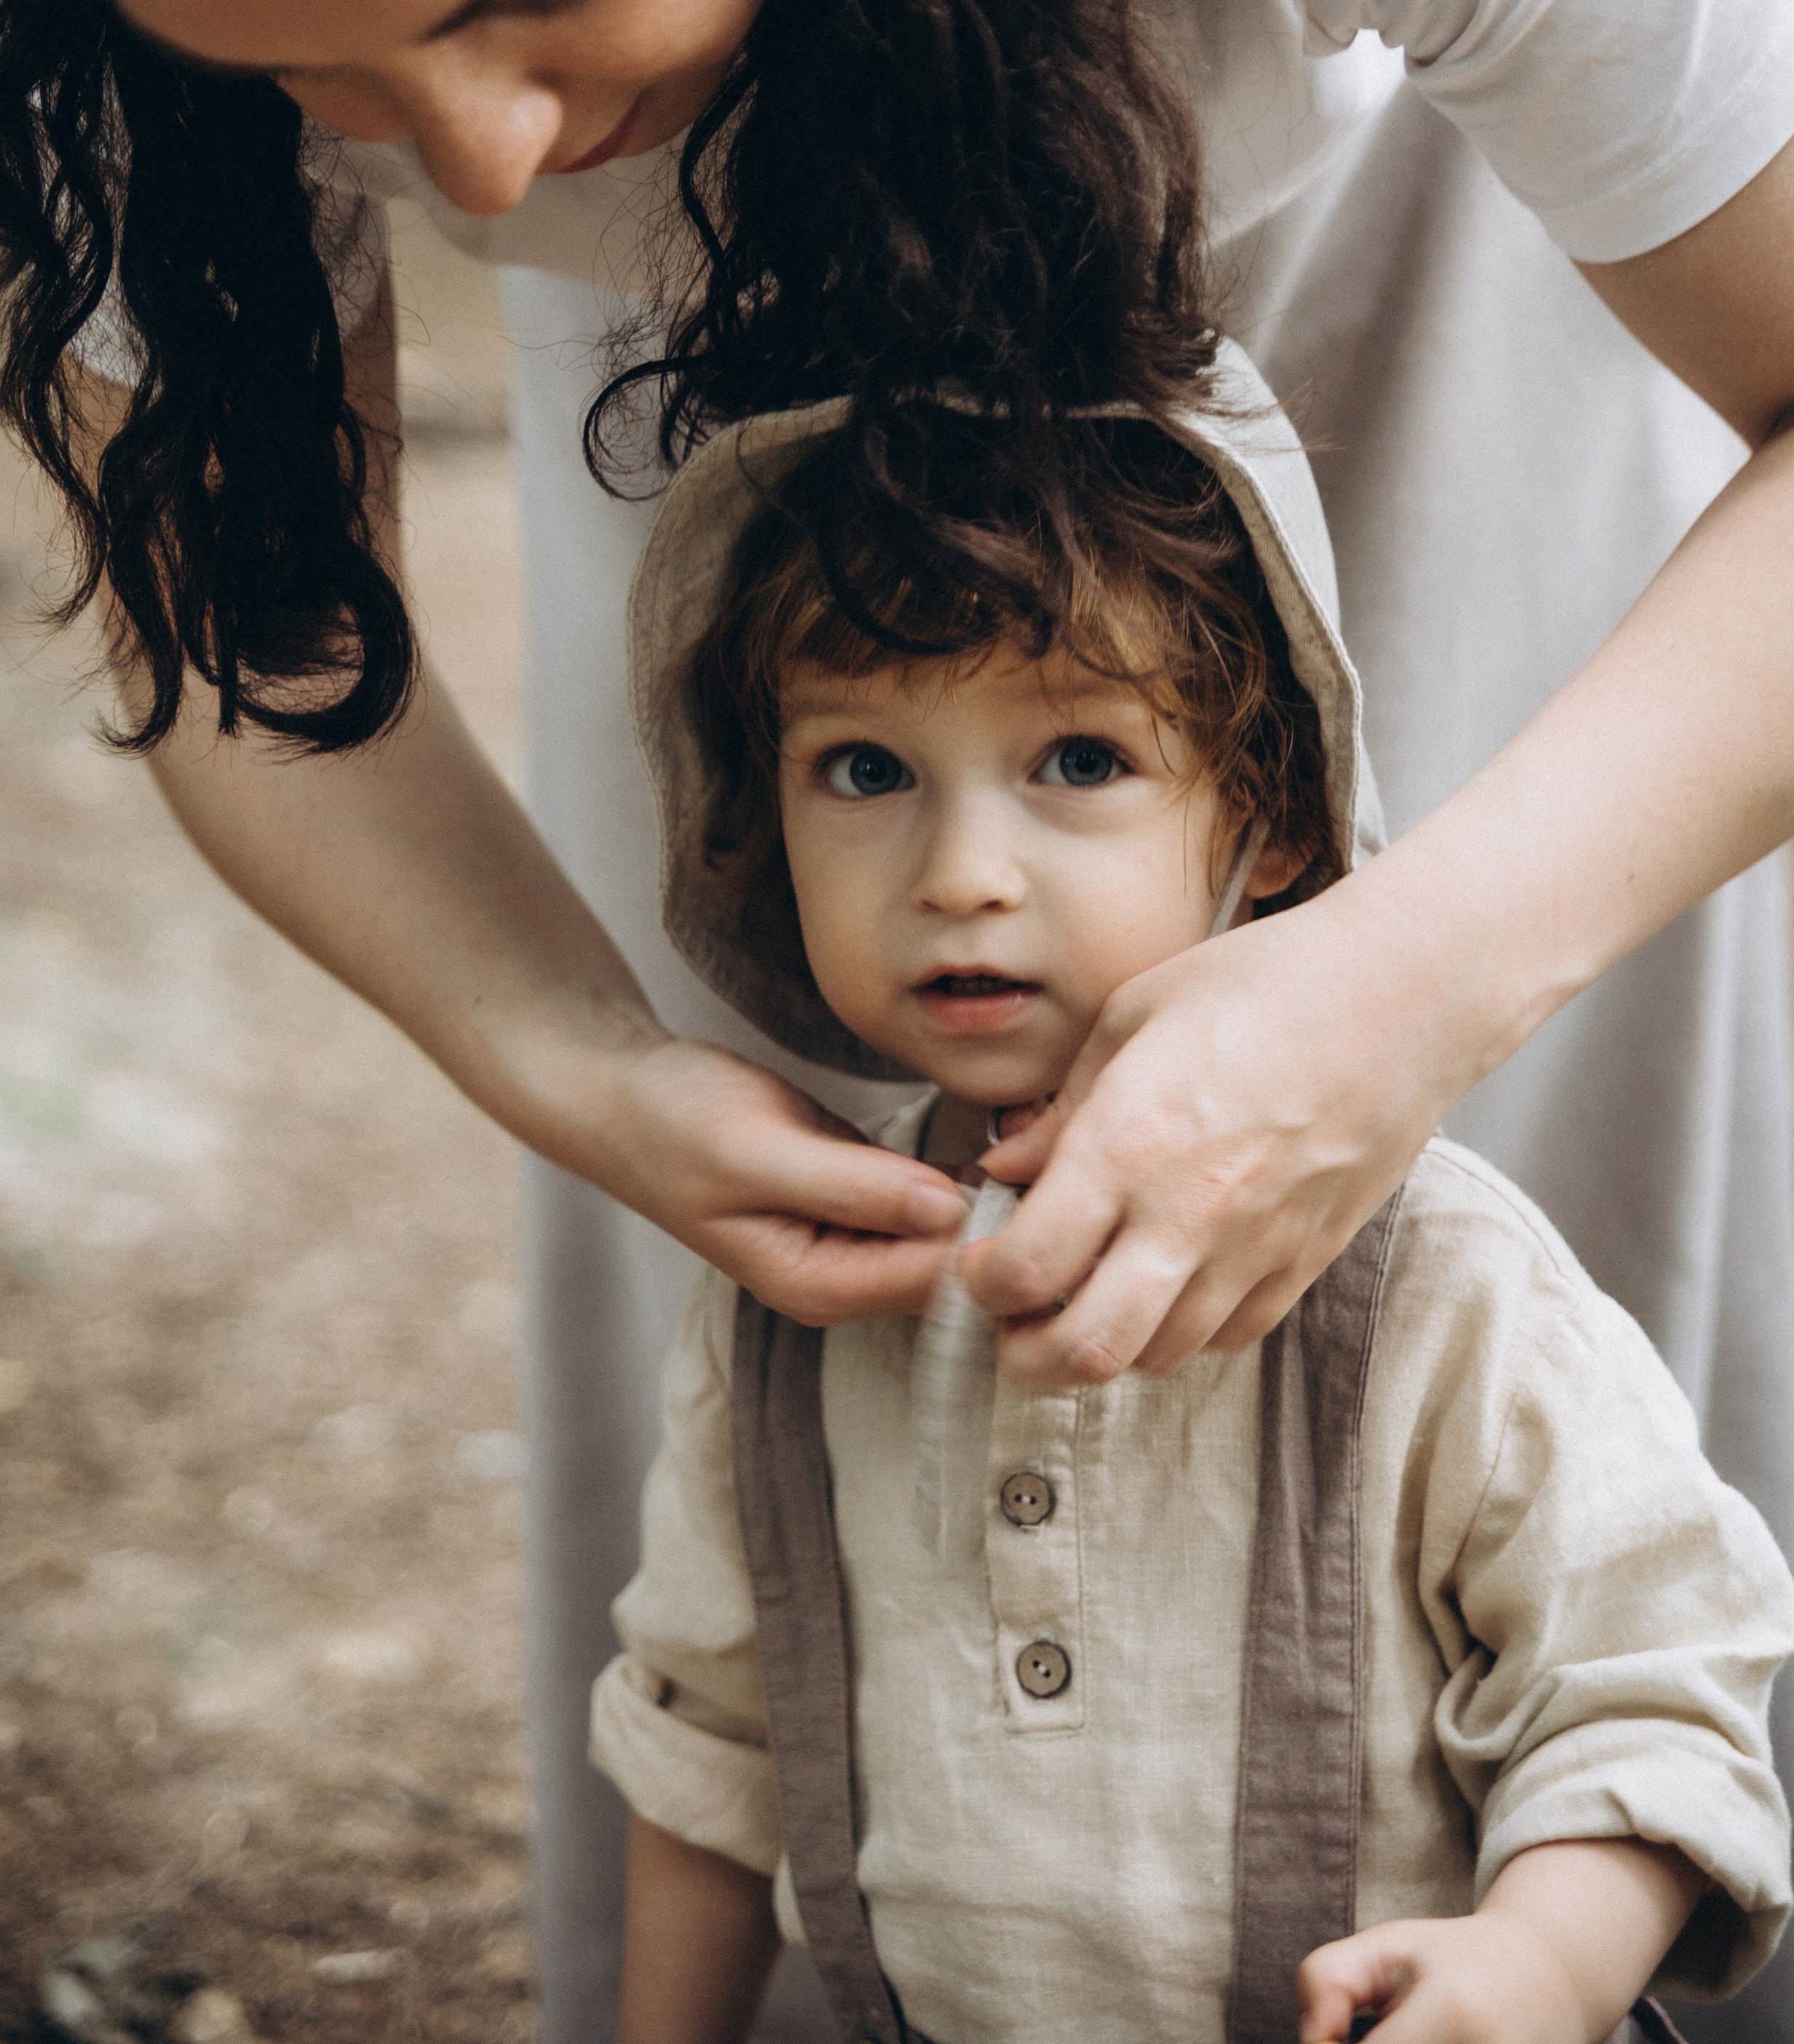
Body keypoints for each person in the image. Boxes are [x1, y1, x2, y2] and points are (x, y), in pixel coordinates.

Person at [0, 0, 1793, 2034]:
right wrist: (573, 1055)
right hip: (738, 457)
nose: (475, 164)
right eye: (302, 77)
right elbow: (243, 624)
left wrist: (1403, 978)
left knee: (1511, 1305)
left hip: (1465, 301)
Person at [590, 363, 1794, 2044]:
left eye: (1077, 756)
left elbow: (1650, 1689)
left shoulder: (1434, 1280)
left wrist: (1536, 1963)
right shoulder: (796, 1289)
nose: (957, 871)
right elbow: (705, 1738)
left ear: (1274, 818)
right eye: (863, 770)